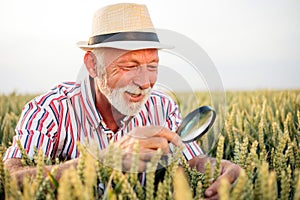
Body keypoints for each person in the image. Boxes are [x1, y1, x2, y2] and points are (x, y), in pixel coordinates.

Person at [3, 3, 240, 199]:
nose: (146, 82)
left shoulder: (163, 107)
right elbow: (11, 179)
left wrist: (221, 169)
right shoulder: (50, 109)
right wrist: (101, 161)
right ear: (93, 65)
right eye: (130, 66)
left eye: (153, 66)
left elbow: (191, 160)